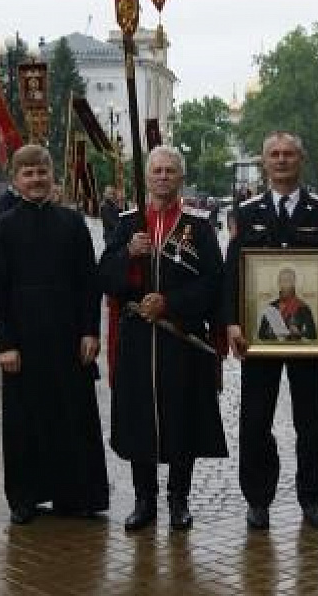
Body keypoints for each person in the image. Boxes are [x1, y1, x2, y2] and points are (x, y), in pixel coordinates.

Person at [223, 131, 318, 531]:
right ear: (264, 163)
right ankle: (258, 499)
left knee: (311, 421)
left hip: (308, 337)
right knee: (255, 420)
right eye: (274, 155)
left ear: (301, 159)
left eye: (289, 154)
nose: (281, 161)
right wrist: (231, 321)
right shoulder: (245, 214)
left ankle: (312, 499)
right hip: (260, 335)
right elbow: (233, 274)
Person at [99, 146, 226, 532]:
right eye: (157, 170)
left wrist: (170, 302)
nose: (163, 176)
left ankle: (178, 500)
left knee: (181, 417)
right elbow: (104, 276)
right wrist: (126, 255)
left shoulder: (198, 225)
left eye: (171, 170)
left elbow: (213, 283)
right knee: (141, 419)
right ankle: (144, 500)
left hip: (181, 337)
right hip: (137, 338)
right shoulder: (127, 223)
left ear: (180, 177)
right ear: (148, 176)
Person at [0, 145, 109, 524]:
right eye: (28, 173)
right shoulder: (2, 228)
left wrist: (91, 330)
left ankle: (75, 494)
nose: (36, 179)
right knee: (26, 421)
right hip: (24, 342)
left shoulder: (72, 224)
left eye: (42, 172)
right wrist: (5, 344)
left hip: (70, 339)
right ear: (16, 179)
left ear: (52, 175)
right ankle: (25, 496)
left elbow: (90, 283)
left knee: (74, 416)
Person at [257, 268, 318, 341]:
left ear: (294, 282)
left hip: (297, 348)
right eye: (283, 280)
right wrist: (272, 333)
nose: (286, 283)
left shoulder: (303, 307)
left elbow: (313, 335)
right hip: (274, 348)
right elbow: (261, 335)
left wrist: (299, 333)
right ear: (279, 283)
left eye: (289, 280)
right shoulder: (272, 307)